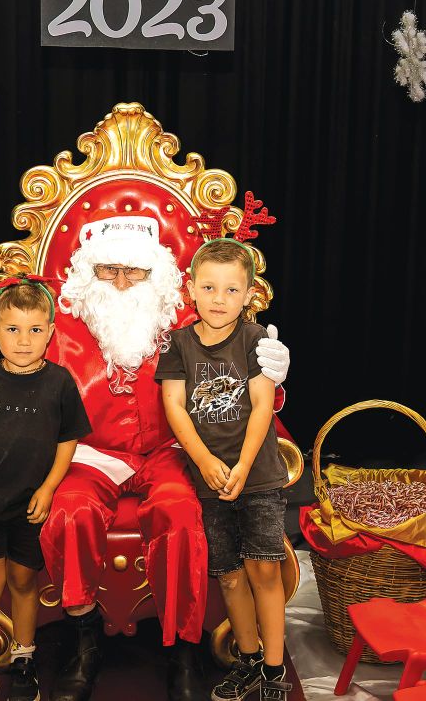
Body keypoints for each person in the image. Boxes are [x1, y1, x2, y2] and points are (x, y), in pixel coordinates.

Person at [0, 211, 292, 701]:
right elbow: (23, 373)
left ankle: (181, 648)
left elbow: (233, 390)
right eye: (106, 270)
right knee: (69, 514)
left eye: (133, 271)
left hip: (169, 453)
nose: (119, 281)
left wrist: (274, 378)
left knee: (181, 517)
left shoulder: (189, 318)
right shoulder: (57, 325)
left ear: (155, 273)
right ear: (86, 274)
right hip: (91, 453)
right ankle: (85, 637)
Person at [156, 238, 291, 701]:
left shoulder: (255, 341)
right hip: (209, 478)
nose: (219, 299)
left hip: (258, 477)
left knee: (264, 571)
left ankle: (275, 670)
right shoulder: (177, 345)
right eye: (209, 287)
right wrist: (206, 461)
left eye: (231, 290)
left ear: (249, 294)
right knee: (230, 573)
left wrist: (243, 464)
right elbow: (174, 406)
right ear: (191, 290)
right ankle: (249, 659)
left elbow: (261, 406)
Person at [0, 276, 92, 701]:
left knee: (24, 582)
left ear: (50, 332)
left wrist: (49, 487)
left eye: (35, 330)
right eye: (13, 329)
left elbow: (68, 440)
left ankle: (25, 658)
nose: (24, 341)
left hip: (30, 504)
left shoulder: (61, 383)